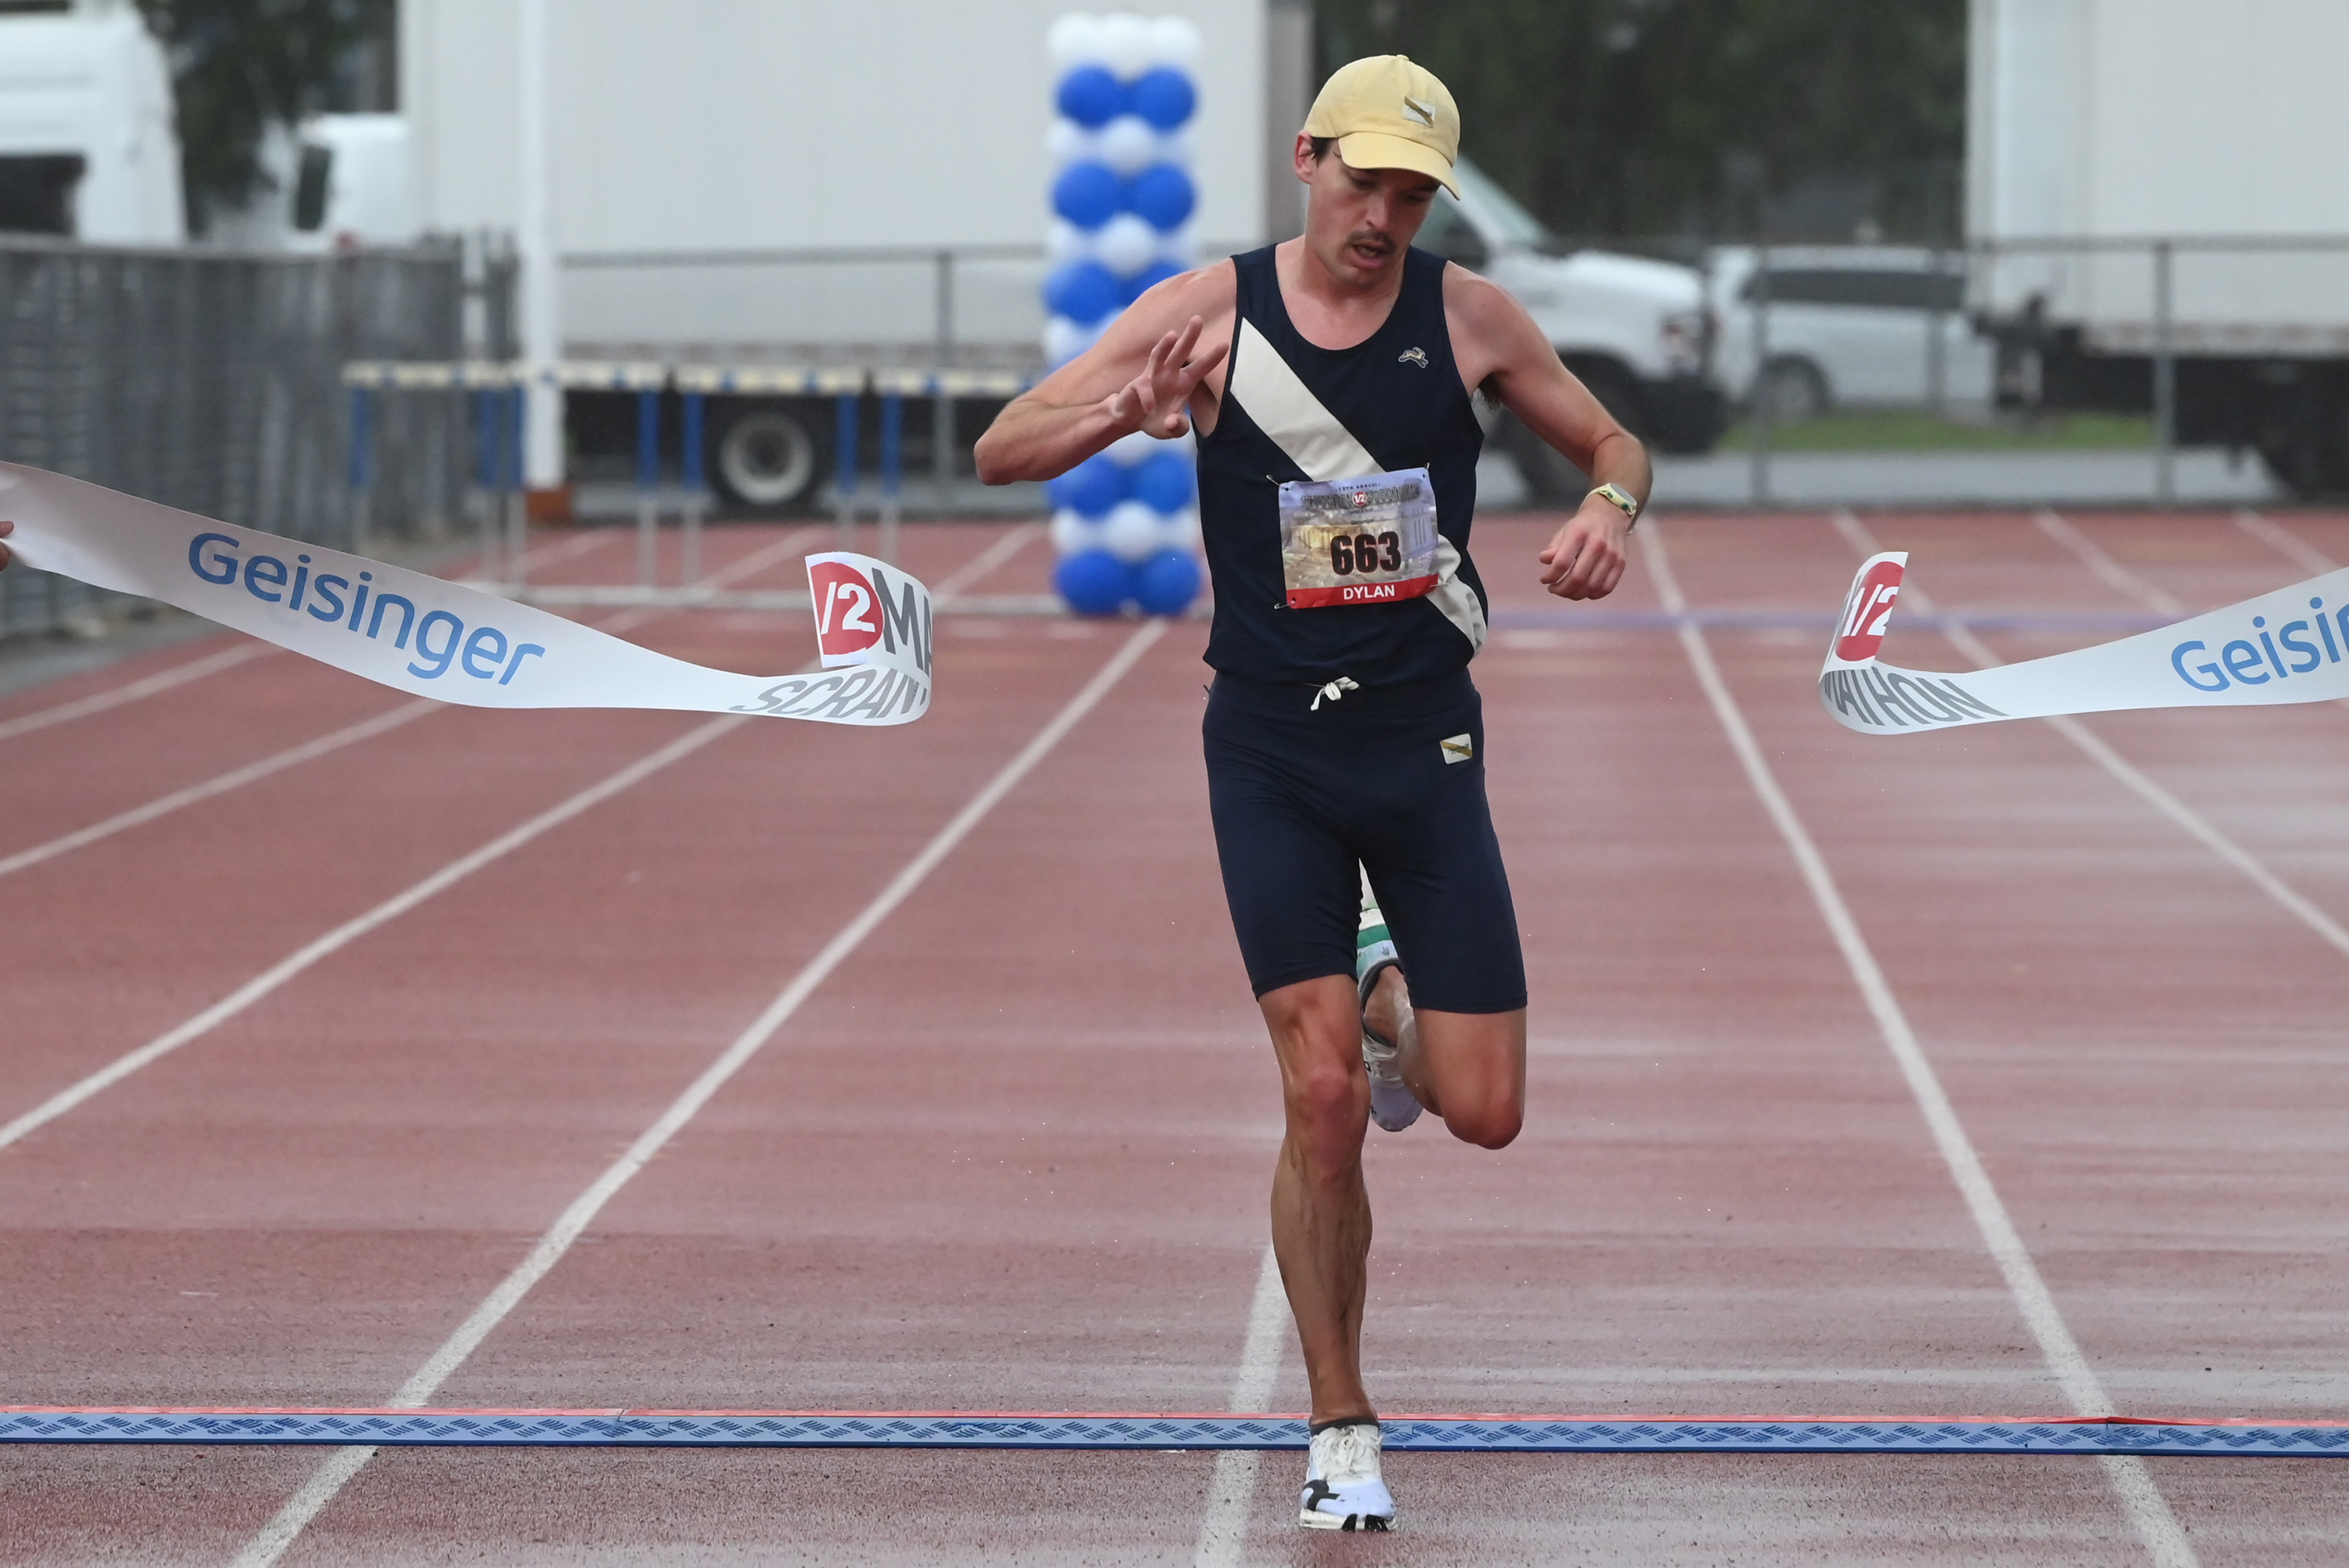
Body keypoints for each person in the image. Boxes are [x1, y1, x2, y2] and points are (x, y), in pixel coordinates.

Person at [976, 55, 1650, 1531]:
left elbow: (1613, 437)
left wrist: (1611, 505)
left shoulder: (1467, 316)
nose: (1386, 216)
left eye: (1414, 194)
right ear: (1305, 158)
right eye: (1366, 184)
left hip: (1426, 752)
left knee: (1483, 1113)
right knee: (1322, 1093)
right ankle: (1341, 1416)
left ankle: (1396, 997)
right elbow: (1001, 445)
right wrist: (1126, 418)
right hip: (1272, 751)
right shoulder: (1206, 312)